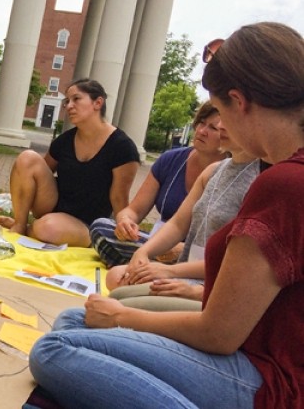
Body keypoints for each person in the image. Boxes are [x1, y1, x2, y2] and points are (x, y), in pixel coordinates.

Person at [28, 21, 304, 408]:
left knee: (54, 349)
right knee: (75, 323)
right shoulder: (276, 175)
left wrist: (122, 316)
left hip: (266, 379)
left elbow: (218, 334)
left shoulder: (284, 183)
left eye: (220, 113)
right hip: (257, 354)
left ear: (238, 102)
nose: (220, 127)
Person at [103, 122, 259, 311]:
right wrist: (143, 252)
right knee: (116, 277)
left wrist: (169, 271)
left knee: (118, 300)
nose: (220, 126)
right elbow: (178, 224)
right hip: (187, 271)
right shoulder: (214, 171)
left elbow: (237, 264)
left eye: (222, 121)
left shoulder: (259, 179)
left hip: (214, 285)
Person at [0, 78, 140, 247]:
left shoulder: (122, 147)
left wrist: (121, 237)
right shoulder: (65, 140)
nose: (69, 106)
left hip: (86, 223)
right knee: (27, 158)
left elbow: (119, 198)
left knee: (47, 227)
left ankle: (31, 229)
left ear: (98, 103)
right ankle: (20, 225)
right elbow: (37, 174)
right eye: (67, 101)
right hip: (54, 206)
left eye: (76, 99)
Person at [89, 101, 225, 265]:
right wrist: (125, 220)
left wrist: (183, 249)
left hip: (200, 255)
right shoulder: (171, 160)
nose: (202, 131)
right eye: (201, 123)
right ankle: (147, 265)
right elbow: (135, 210)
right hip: (159, 243)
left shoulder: (232, 174)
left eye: (213, 128)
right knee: (101, 227)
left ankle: (141, 266)